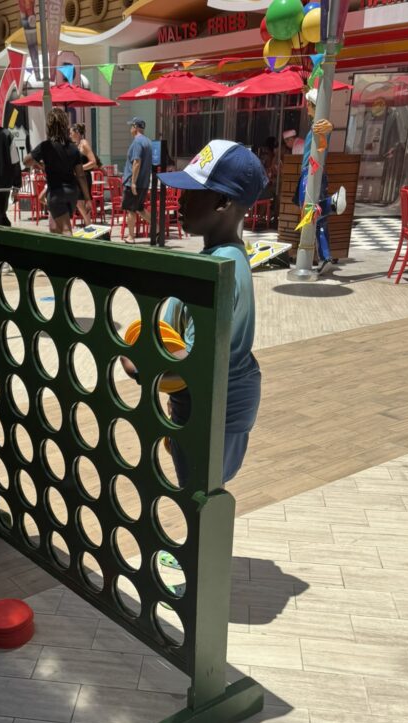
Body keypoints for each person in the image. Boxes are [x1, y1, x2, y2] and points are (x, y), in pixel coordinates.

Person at [156, 140, 267, 494]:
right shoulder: (217, 258)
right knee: (194, 488)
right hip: (198, 401)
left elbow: (198, 360)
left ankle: (197, 552)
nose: (181, 201)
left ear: (223, 202)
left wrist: (144, 365)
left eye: (192, 193)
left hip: (217, 408)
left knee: (201, 495)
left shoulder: (223, 268)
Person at [295, 89, 347, 274]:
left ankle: (331, 203)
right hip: (316, 172)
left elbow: (328, 127)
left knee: (307, 209)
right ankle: (325, 258)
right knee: (319, 221)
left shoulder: (319, 125)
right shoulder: (315, 125)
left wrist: (329, 125)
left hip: (311, 173)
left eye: (307, 103)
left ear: (312, 105)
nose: (305, 107)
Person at [25, 109, 84, 236]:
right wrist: (87, 197)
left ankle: (72, 255)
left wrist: (38, 164)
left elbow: (26, 161)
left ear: (49, 126)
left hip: (56, 192)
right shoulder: (73, 148)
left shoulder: (46, 146)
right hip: (72, 192)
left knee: (65, 229)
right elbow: (80, 175)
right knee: (54, 227)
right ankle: (59, 254)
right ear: (65, 126)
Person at [122, 116, 153, 243]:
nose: (130, 128)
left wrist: (133, 182)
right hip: (144, 182)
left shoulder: (137, 142)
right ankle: (157, 228)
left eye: (131, 126)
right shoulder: (148, 142)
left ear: (135, 127)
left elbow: (136, 162)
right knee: (140, 208)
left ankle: (131, 236)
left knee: (131, 210)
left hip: (134, 183)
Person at [70, 122, 99, 227]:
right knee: (79, 202)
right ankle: (88, 224)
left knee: (82, 202)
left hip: (84, 177)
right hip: (77, 177)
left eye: (71, 132)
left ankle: (89, 225)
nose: (69, 135)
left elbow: (93, 162)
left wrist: (79, 168)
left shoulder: (84, 144)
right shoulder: (76, 145)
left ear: (77, 133)